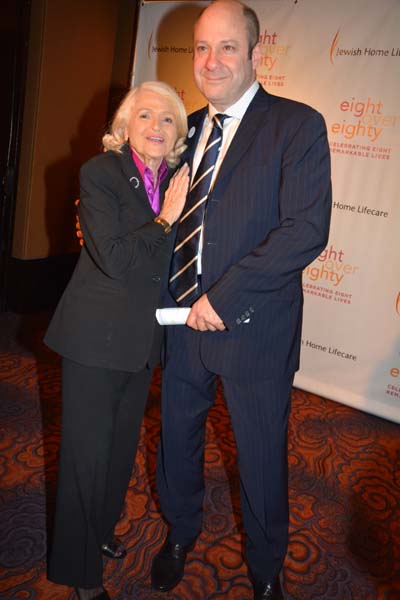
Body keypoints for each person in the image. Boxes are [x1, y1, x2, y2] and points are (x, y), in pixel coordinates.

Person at [150, 2, 332, 599]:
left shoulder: (297, 125)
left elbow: (305, 230)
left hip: (253, 327)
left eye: (227, 47)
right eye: (201, 48)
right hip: (180, 322)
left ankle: (265, 564)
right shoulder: (185, 132)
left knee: (259, 456)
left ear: (256, 53)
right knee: (177, 438)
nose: (211, 61)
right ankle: (180, 531)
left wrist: (223, 299)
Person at [44, 81, 189, 600]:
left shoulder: (176, 177)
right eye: (145, 115)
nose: (156, 126)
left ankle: (98, 534)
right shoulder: (100, 173)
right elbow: (116, 257)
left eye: (168, 119)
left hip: (142, 341)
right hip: (93, 340)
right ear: (125, 126)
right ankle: (80, 576)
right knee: (86, 457)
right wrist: (166, 218)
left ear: (178, 133)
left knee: (119, 454)